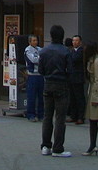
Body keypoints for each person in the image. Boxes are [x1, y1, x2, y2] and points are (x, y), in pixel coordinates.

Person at [39, 24, 73, 157]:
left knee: (47, 116)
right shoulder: (66, 51)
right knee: (60, 118)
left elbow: (41, 70)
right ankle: (58, 148)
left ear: (51, 35)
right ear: (62, 36)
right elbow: (70, 71)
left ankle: (45, 146)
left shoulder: (44, 51)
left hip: (48, 85)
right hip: (61, 86)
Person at [25, 34, 44, 122]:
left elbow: (44, 58)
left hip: (40, 75)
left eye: (36, 40)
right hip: (32, 75)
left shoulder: (40, 49)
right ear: (30, 42)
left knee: (41, 96)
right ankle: (31, 114)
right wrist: (40, 58)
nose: (35, 42)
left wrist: (39, 58)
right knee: (31, 96)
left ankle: (41, 115)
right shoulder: (28, 50)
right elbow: (33, 60)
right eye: (33, 40)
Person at [68, 34, 85, 125]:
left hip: (78, 77)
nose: (74, 42)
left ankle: (80, 117)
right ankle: (73, 116)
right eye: (73, 40)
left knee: (79, 98)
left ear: (80, 42)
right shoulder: (71, 51)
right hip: (71, 77)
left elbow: (75, 59)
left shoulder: (81, 51)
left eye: (76, 41)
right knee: (72, 98)